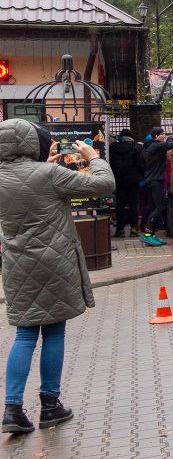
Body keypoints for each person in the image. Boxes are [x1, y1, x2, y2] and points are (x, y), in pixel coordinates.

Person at [1, 122, 115, 434]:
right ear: (28, 143)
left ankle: (12, 410)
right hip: (54, 263)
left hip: (16, 265)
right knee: (53, 332)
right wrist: (94, 157)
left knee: (24, 335)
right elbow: (103, 184)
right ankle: (50, 405)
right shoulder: (50, 174)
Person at [108, 128, 145, 237]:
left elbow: (110, 163)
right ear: (131, 136)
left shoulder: (113, 148)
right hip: (133, 180)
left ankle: (120, 230)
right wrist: (141, 175)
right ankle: (133, 229)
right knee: (134, 204)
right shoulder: (136, 147)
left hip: (119, 179)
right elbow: (141, 164)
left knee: (120, 205)